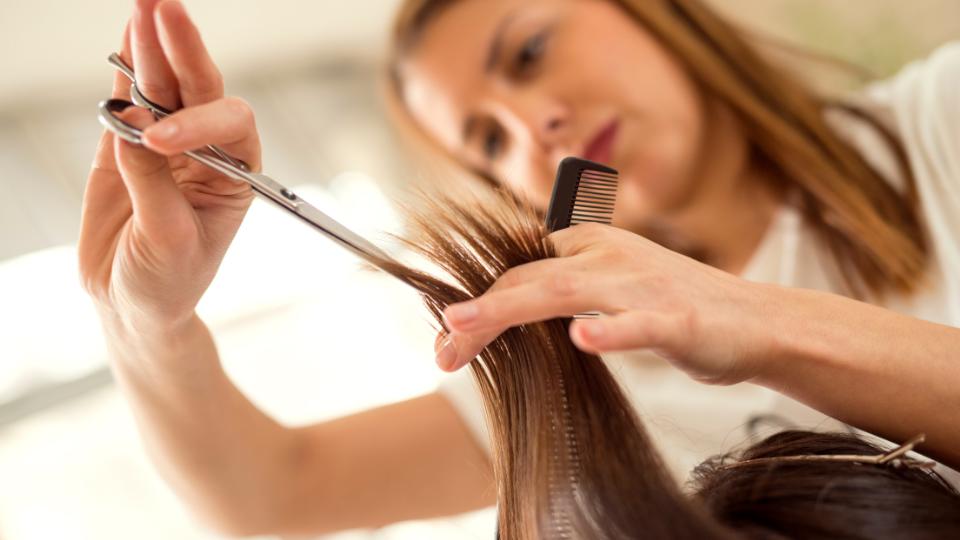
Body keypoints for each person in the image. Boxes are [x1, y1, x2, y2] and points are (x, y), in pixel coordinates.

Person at [78, 0, 960, 536]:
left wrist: (759, 325)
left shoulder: (941, 119)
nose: (534, 126)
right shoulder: (587, 362)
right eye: (488, 138)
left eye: (530, 53)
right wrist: (143, 317)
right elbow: (267, 494)